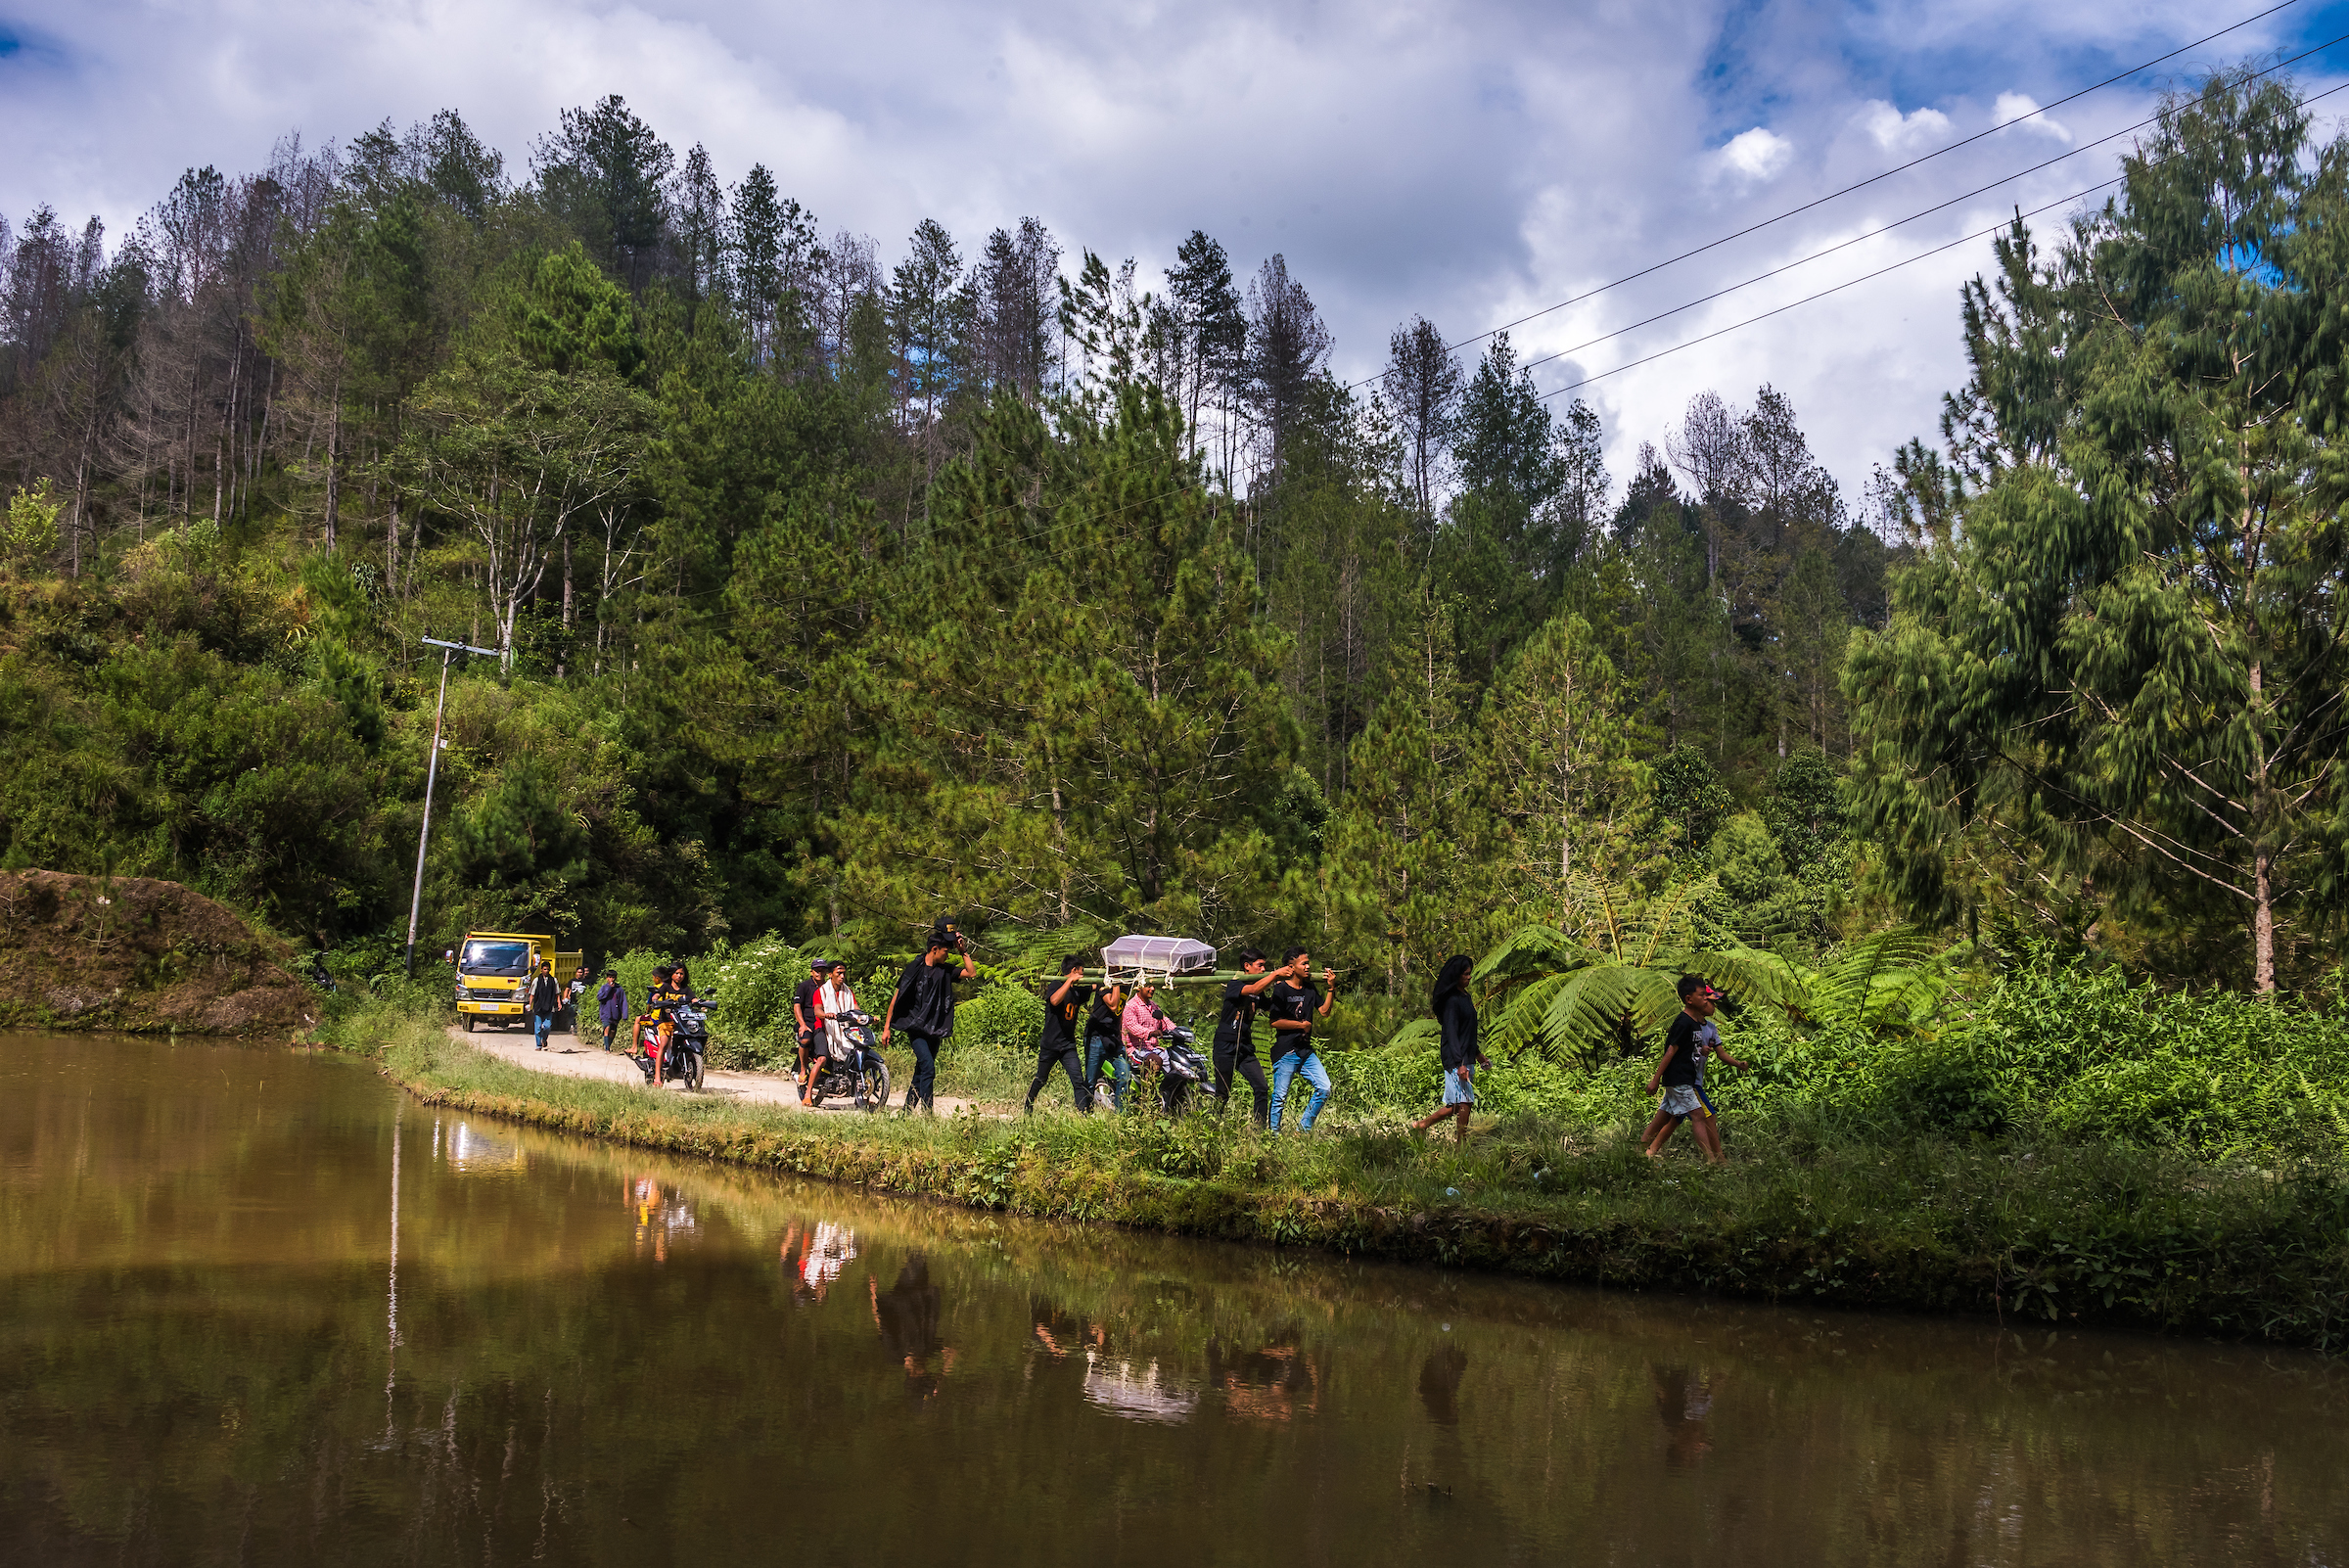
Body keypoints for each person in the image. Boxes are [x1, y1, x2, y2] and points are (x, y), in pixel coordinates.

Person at [1641, 976, 1748, 1164]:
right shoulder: (1683, 1022)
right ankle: (1711, 1160)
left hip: (1686, 1078)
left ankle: (1640, 1151)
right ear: (1689, 999)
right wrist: (1655, 1079)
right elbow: (1670, 1051)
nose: (1707, 999)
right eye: (1703, 996)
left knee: (1666, 1117)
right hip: (1680, 1078)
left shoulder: (1698, 1025)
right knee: (1700, 1115)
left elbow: (1690, 1050)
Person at [883, 925, 977, 1114]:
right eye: (945, 952)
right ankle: (927, 1114)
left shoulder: (945, 970)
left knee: (921, 1072)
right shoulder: (915, 968)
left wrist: (963, 951)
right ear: (934, 950)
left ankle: (906, 1112)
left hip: (934, 1028)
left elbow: (971, 973)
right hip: (915, 1027)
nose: (947, 956)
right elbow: (897, 997)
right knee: (928, 1067)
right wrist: (887, 1027)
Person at [1411, 954, 1487, 1143]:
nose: (1469, 977)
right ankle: (1461, 1145)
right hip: (1456, 1057)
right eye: (1466, 974)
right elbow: (1452, 1033)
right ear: (1457, 976)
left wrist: (1478, 1056)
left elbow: (1467, 1032)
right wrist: (1459, 1064)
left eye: (1470, 973)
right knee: (1465, 1103)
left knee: (1456, 1105)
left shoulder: (1465, 997)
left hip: (1466, 1056)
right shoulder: (1452, 1001)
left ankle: (1421, 1125)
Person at [1266, 946, 1336, 1131]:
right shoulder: (1281, 989)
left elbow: (1324, 1012)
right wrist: (1300, 1025)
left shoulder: (1309, 987)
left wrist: (1331, 988)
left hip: (1305, 1050)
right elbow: (1274, 1022)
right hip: (1286, 1051)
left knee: (1324, 1087)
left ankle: (1303, 1130)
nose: (1308, 967)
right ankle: (1273, 1137)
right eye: (1303, 963)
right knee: (1280, 1096)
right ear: (1291, 966)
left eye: (1308, 962)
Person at [1212, 948, 1279, 1125]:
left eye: (1265, 966)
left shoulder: (1258, 990)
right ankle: (1212, 1128)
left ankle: (1259, 1131)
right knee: (1222, 1093)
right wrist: (1274, 976)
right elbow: (1254, 989)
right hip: (1225, 1045)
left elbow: (1270, 1005)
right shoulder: (1236, 983)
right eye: (1260, 965)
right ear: (1247, 966)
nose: (1264, 969)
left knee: (1261, 1087)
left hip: (1244, 1047)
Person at [1025, 954, 1095, 1115]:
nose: (1082, 975)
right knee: (1041, 1079)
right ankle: (1028, 1107)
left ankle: (1084, 1113)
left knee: (1078, 1080)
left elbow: (1093, 987)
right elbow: (1055, 1001)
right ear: (1074, 970)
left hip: (1068, 1045)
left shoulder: (1078, 989)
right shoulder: (1056, 984)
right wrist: (1069, 982)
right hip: (1050, 1044)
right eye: (1081, 972)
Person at [1122, 979, 1177, 1109]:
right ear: (1138, 988)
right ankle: (1148, 1097)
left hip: (1154, 1048)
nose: (1152, 989)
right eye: (1148, 986)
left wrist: (1178, 1032)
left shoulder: (1153, 1006)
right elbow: (1131, 1026)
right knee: (1155, 1061)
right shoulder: (1131, 1006)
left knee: (1174, 1065)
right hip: (1136, 1049)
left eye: (1153, 986)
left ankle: (1170, 1096)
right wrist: (1150, 1032)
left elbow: (1165, 1021)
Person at [1084, 980, 1130, 1110]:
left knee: (1125, 1074)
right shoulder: (1104, 980)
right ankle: (1085, 1110)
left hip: (1114, 1037)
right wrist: (1116, 982)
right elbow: (1113, 1005)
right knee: (1090, 1079)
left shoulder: (1126, 984)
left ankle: (1120, 1113)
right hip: (1097, 1036)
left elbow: (1119, 1012)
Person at [792, 956, 829, 1107]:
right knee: (805, 1040)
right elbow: (797, 1006)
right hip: (807, 1022)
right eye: (817, 970)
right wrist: (802, 1024)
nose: (820, 973)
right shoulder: (804, 986)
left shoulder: (828, 987)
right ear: (812, 972)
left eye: (823, 970)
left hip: (824, 1022)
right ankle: (802, 1068)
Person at [644, 964, 689, 1085]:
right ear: (671, 974)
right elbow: (657, 994)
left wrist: (702, 1002)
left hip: (681, 1022)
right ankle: (657, 1078)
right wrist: (656, 999)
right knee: (663, 1044)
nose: (679, 976)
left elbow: (693, 998)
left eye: (682, 974)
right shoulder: (666, 986)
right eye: (677, 973)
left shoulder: (686, 989)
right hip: (666, 1021)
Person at [527, 961, 561, 1051]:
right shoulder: (537, 980)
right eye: (544, 969)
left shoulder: (554, 980)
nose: (546, 971)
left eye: (548, 969)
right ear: (541, 970)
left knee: (547, 1026)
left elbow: (557, 993)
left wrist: (559, 1003)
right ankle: (538, 1045)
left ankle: (544, 1039)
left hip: (549, 1007)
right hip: (538, 1007)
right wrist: (530, 1004)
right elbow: (532, 994)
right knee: (538, 1028)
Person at [594, 969, 626, 1051]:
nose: (611, 979)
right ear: (607, 978)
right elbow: (600, 997)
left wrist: (625, 1014)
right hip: (605, 1012)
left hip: (616, 1013)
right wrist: (608, 988)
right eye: (609, 977)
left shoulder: (619, 989)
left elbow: (623, 1001)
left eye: (613, 977)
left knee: (613, 1031)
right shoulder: (604, 987)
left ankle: (609, 1044)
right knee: (607, 1028)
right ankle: (607, 1049)